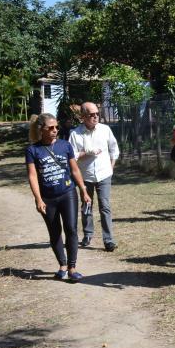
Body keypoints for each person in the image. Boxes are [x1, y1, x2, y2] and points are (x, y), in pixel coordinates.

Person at [26, 113, 91, 281]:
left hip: (68, 193)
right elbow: (32, 176)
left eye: (56, 127)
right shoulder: (33, 150)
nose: (55, 130)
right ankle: (62, 264)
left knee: (71, 229)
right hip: (47, 198)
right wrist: (38, 199)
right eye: (51, 128)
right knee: (55, 232)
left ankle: (72, 267)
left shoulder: (65, 145)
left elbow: (75, 170)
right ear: (41, 129)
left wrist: (83, 190)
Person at [69, 102, 120, 252]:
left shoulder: (105, 130)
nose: (96, 116)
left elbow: (114, 149)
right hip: (85, 175)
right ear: (83, 116)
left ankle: (109, 240)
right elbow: (71, 156)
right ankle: (88, 234)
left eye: (97, 113)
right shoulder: (75, 134)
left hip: (104, 174)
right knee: (87, 206)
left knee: (105, 206)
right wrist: (86, 152)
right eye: (92, 114)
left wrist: (111, 167)